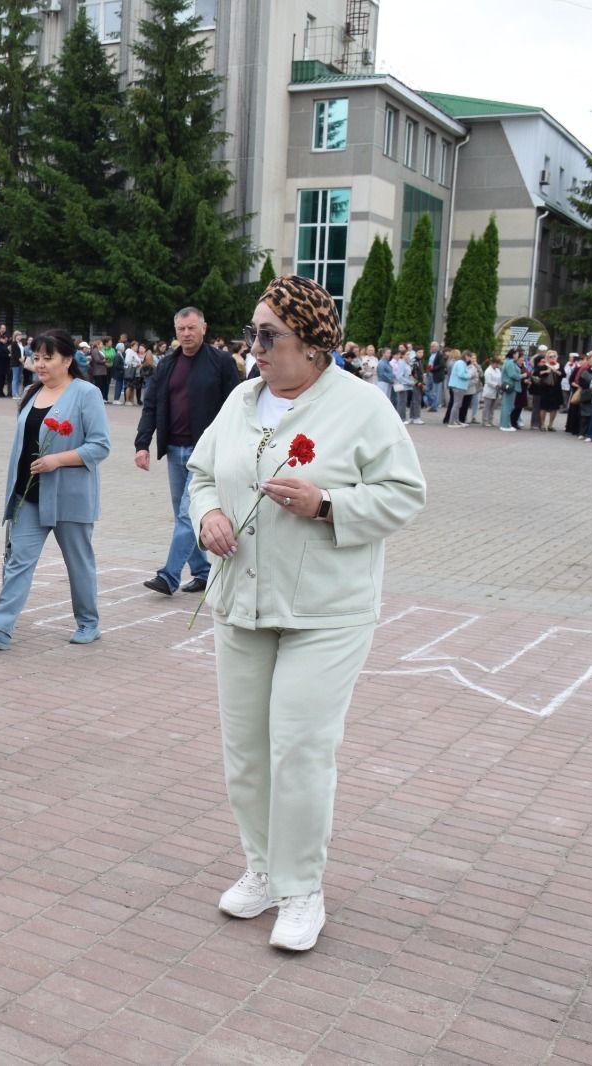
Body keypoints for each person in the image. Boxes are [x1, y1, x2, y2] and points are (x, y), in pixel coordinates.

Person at [191, 274, 427, 952]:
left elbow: (405, 493)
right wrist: (206, 512)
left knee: (298, 748)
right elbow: (204, 472)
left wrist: (328, 504)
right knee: (246, 749)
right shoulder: (240, 399)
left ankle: (301, 889)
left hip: (325, 609)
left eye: (269, 336)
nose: (254, 348)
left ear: (314, 344)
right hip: (242, 598)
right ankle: (261, 868)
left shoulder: (362, 406)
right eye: (252, 334)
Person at [0, 329, 110, 650]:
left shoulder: (85, 393)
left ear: (68, 360)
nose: (41, 364)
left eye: (49, 358)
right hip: (28, 495)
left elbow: (100, 446)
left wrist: (57, 459)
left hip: (69, 499)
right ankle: (0, 629)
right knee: (18, 560)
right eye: (37, 358)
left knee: (78, 562)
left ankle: (89, 622)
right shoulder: (33, 393)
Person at [135, 307, 241, 597]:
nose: (186, 334)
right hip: (174, 450)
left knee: (185, 514)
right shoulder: (167, 364)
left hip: (205, 451)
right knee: (187, 514)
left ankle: (168, 576)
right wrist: (142, 444)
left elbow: (238, 404)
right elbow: (151, 405)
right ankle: (203, 572)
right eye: (181, 329)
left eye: (192, 328)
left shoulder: (221, 362)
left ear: (204, 328)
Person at [443, 349, 472, 426]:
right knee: (456, 404)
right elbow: (461, 374)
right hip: (458, 386)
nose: (470, 359)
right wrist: (469, 375)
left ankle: (456, 420)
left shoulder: (461, 363)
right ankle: (451, 422)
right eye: (469, 357)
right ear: (466, 356)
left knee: (458, 404)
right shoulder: (461, 363)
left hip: (459, 386)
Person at [498, 347, 522, 431]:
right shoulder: (510, 363)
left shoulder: (509, 362)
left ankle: (505, 424)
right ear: (514, 354)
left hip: (510, 386)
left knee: (508, 406)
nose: (518, 356)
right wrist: (522, 376)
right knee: (508, 406)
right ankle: (505, 425)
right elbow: (512, 375)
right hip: (511, 386)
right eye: (517, 354)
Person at [479, 352, 503, 427]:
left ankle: (490, 420)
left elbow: (500, 378)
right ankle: (484, 421)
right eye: (496, 364)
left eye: (498, 364)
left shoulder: (498, 370)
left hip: (496, 391)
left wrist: (500, 384)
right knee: (487, 407)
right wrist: (496, 385)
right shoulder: (488, 371)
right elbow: (488, 381)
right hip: (489, 391)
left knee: (493, 408)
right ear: (493, 363)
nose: (498, 365)